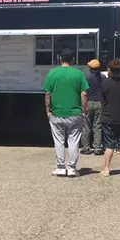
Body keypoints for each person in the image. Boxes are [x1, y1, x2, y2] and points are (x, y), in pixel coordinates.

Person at [42, 48, 89, 177]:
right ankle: (72, 168)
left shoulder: (52, 73)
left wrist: (48, 111)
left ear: (60, 59)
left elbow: (47, 94)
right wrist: (83, 111)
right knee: (73, 141)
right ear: (73, 59)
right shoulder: (78, 74)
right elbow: (84, 94)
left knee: (59, 141)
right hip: (75, 114)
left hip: (56, 113)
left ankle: (60, 167)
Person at [80, 59, 105, 156]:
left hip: (88, 102)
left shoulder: (86, 77)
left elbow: (83, 92)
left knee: (86, 125)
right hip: (99, 102)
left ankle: (86, 147)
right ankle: (97, 147)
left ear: (90, 67)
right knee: (97, 125)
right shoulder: (103, 77)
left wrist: (82, 106)